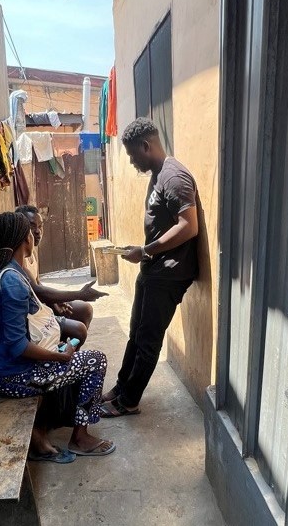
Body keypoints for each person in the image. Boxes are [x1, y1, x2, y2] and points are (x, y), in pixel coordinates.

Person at [0, 211, 116, 461]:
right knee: (96, 361)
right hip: (12, 376)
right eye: (32, 231)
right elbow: (17, 346)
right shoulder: (11, 282)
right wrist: (58, 356)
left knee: (78, 351)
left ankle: (59, 426)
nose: (35, 235)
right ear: (25, 239)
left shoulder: (13, 271)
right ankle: (80, 438)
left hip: (11, 369)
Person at [99, 118, 199, 418]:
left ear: (146, 145)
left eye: (132, 155)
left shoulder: (175, 176)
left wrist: (146, 250)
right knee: (136, 333)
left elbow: (189, 226)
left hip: (169, 273)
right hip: (153, 269)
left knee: (148, 340)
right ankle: (121, 387)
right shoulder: (157, 175)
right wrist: (144, 253)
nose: (131, 161)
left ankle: (128, 401)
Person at [15, 204, 107, 346]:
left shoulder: (31, 252)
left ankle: (63, 351)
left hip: (41, 305)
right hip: (33, 313)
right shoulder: (19, 259)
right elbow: (37, 292)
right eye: (32, 226)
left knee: (85, 309)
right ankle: (61, 357)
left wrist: (57, 302)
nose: (38, 231)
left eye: (40, 226)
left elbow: (38, 283)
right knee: (78, 330)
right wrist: (78, 294)